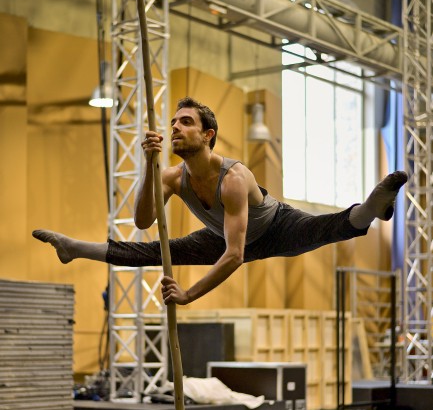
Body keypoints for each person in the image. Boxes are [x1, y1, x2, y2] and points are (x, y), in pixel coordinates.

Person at [33, 96, 407, 306]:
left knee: (328, 228)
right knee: (153, 250)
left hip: (275, 227)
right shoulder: (170, 177)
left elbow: (235, 256)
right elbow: (144, 222)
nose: (175, 127)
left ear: (208, 134)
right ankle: (73, 248)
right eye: (173, 122)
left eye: (185, 122)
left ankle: (373, 206)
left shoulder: (234, 179)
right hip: (222, 234)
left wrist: (189, 294)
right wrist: (148, 165)